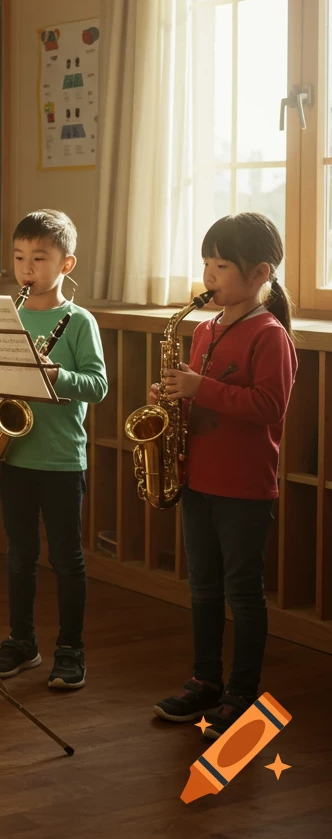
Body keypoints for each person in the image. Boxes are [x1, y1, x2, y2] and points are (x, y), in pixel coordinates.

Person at [152, 212, 297, 739]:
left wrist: (198, 390)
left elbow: (268, 405)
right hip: (199, 478)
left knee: (243, 593)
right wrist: (172, 397)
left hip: (244, 485)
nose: (209, 277)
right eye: (206, 264)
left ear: (260, 273)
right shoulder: (204, 329)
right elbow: (201, 392)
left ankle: (242, 691)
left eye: (221, 266)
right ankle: (204, 681)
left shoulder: (269, 334)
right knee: (204, 589)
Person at [0, 209, 107, 690]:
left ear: (66, 264)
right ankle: (22, 642)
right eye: (19, 256)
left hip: (62, 458)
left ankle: (71, 649)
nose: (27, 268)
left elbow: (98, 385)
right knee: (18, 555)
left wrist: (57, 375)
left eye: (39, 258)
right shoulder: (9, 317)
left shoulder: (79, 321)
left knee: (67, 558)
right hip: (16, 456)